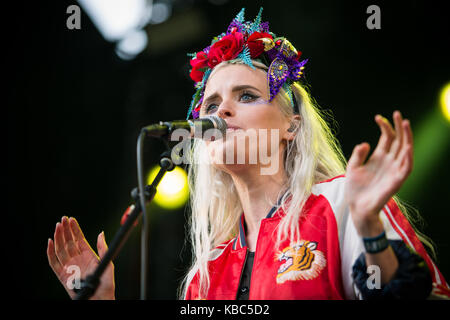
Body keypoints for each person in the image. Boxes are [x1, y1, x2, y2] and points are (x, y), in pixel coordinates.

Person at [47, 8, 450, 300]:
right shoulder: (204, 276)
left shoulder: (343, 203)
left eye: (247, 96)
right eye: (211, 104)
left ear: (291, 126)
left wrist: (370, 232)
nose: (221, 111)